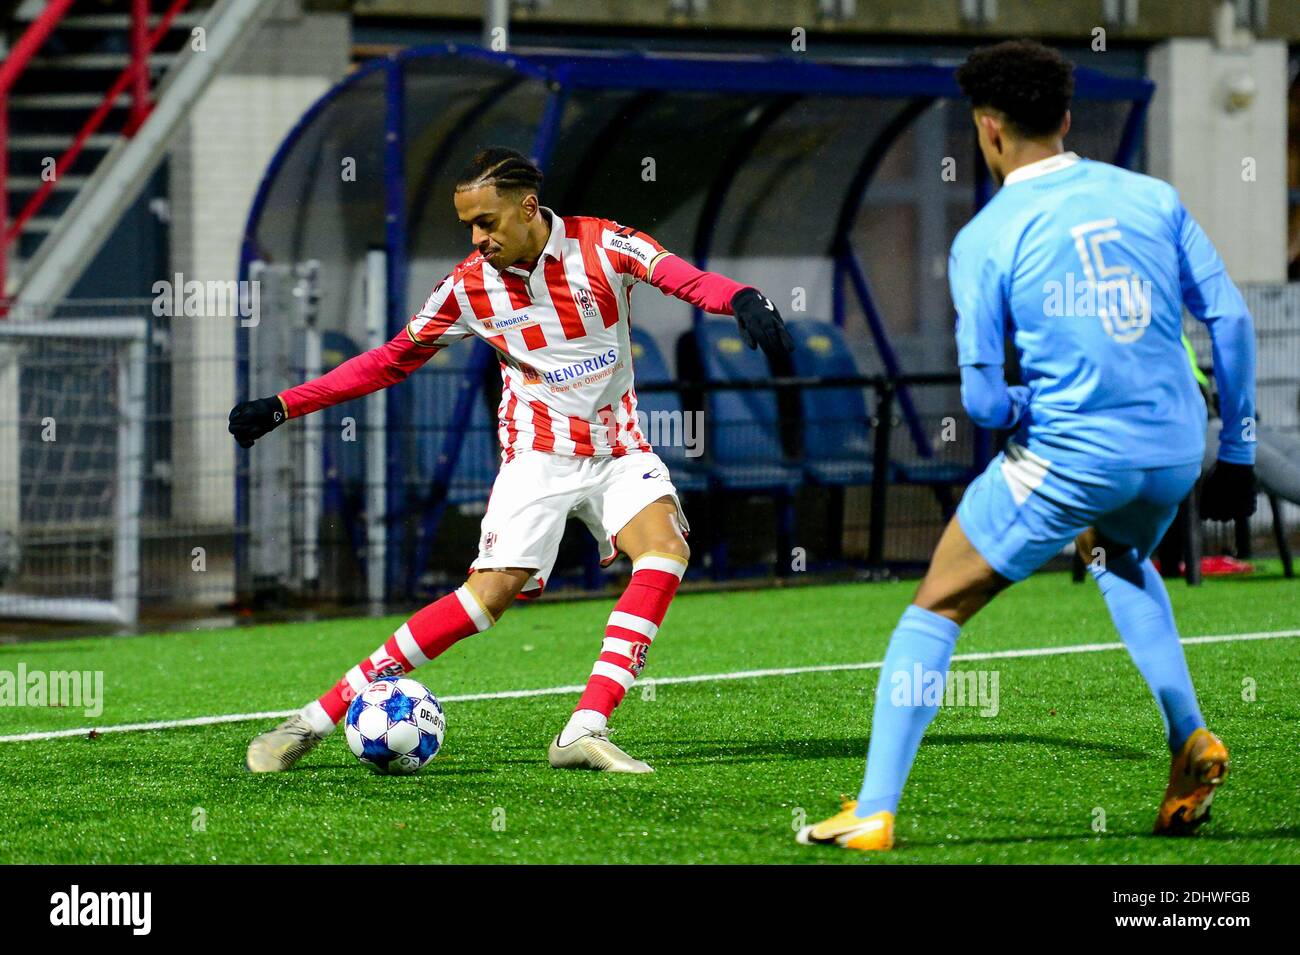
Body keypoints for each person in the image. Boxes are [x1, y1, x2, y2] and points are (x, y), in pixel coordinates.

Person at [799, 40, 1256, 851]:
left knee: (934, 607)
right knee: (1117, 555)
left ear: (989, 132)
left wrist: (1023, 402)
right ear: (1068, 120)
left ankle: (872, 808)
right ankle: (1190, 736)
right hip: (1178, 448)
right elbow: (1233, 319)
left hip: (1073, 455)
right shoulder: (1151, 196)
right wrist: (1242, 451)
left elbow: (981, 402)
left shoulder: (986, 235)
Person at [232, 147, 792, 774]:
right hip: (538, 459)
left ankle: (584, 728)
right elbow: (388, 360)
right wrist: (286, 403)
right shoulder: (467, 287)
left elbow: (683, 279)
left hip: (618, 451)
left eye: (487, 222)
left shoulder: (603, 246)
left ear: (529, 207)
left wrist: (740, 297)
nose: (478, 238)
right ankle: (315, 719)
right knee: (485, 601)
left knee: (665, 552)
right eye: (469, 225)